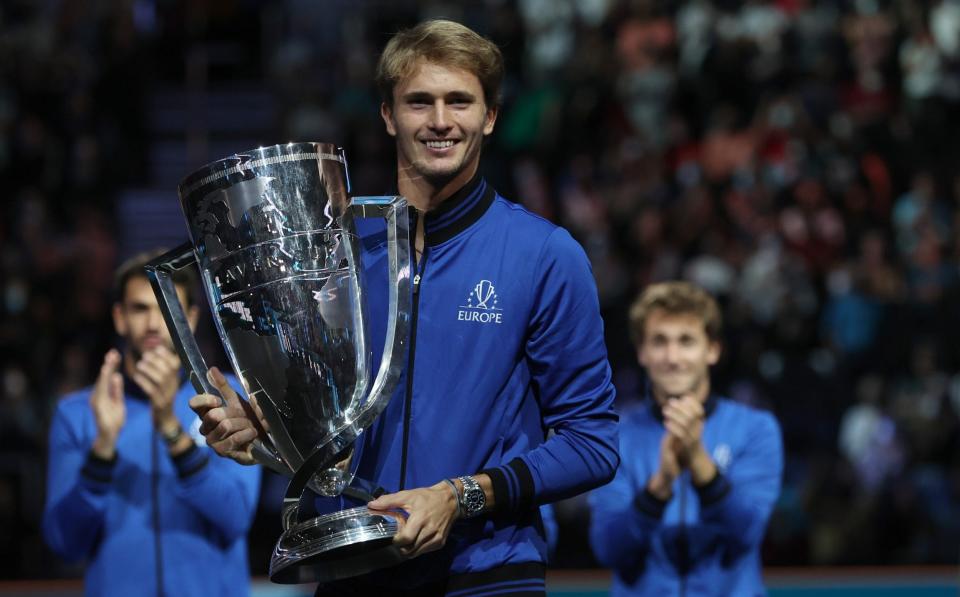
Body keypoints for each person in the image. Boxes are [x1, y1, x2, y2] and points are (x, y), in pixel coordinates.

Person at [190, 19, 619, 596]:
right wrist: (263, 433)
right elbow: (326, 426)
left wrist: (460, 496)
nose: (440, 121)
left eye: (459, 101)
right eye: (419, 102)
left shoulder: (544, 255)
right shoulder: (331, 254)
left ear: (489, 117)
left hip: (486, 576)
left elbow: (591, 442)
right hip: (349, 572)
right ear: (389, 116)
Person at [42, 251, 261, 597]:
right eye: (140, 308)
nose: (154, 323)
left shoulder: (229, 398)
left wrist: (173, 432)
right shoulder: (79, 414)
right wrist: (102, 448)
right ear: (119, 318)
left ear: (190, 318)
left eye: (167, 307)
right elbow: (64, 542)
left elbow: (235, 518)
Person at [588, 281, 783, 596]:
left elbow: (747, 534)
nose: (673, 357)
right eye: (659, 341)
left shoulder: (756, 429)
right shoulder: (613, 436)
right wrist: (660, 485)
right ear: (642, 352)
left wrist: (698, 461)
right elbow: (608, 549)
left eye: (687, 341)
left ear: (713, 350)